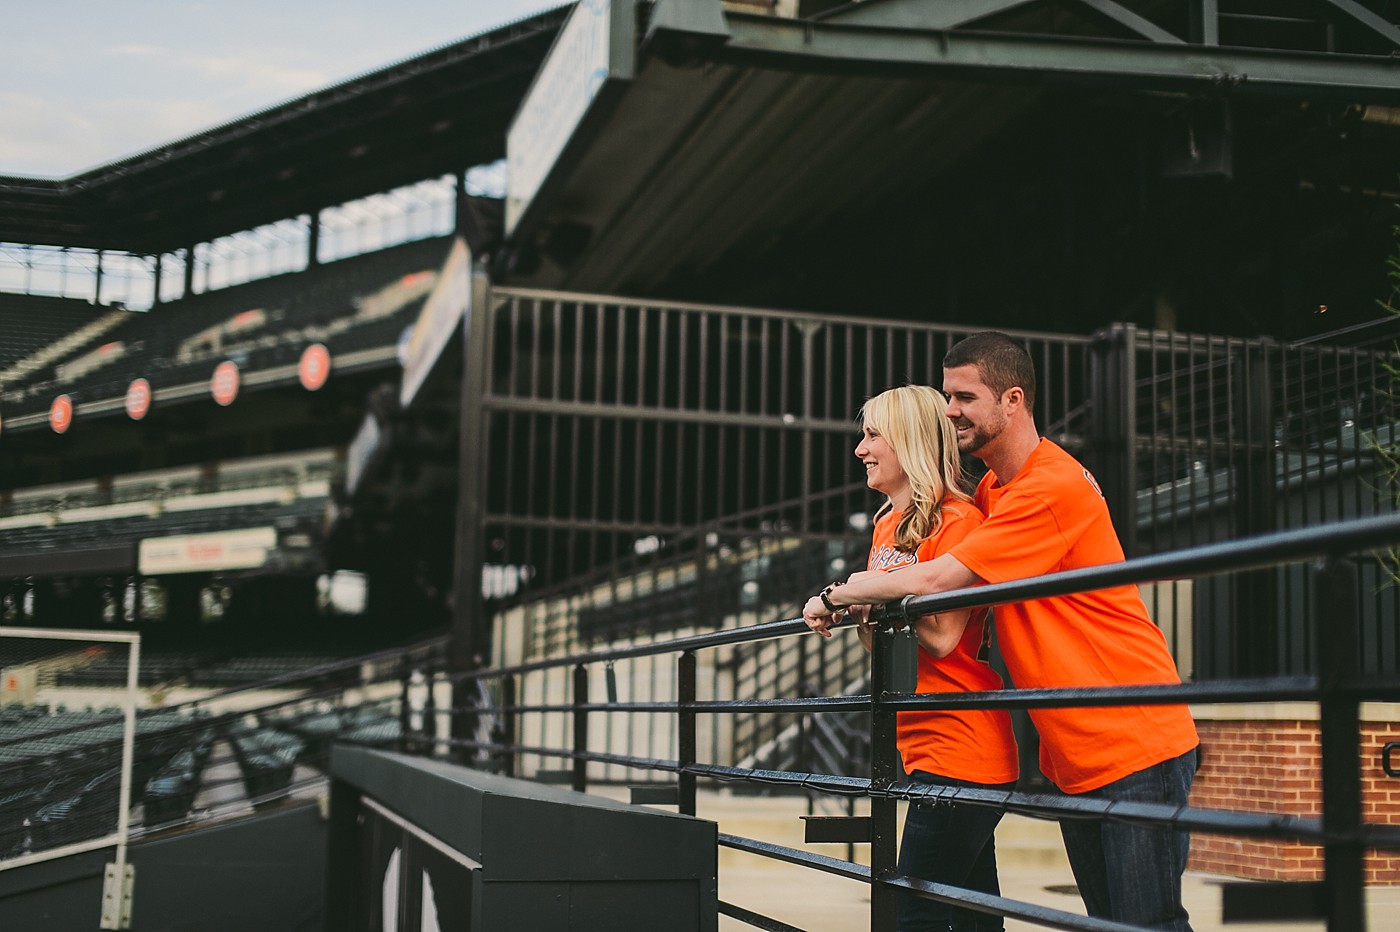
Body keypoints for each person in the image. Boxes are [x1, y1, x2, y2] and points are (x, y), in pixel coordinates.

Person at [804, 333, 1199, 932]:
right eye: (946, 396)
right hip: (1074, 750)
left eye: (965, 396)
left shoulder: (1050, 487)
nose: (950, 410)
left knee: (1149, 925)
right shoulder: (993, 490)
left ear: (1013, 400)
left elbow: (939, 581)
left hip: (1134, 735)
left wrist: (841, 593)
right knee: (1111, 925)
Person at [806, 384, 1018, 932]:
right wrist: (859, 608)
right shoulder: (886, 524)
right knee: (974, 917)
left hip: (964, 748)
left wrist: (862, 591)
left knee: (911, 913)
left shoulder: (959, 521)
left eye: (873, 434)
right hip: (923, 743)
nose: (861, 448)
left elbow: (944, 637)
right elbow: (882, 644)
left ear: (912, 441)